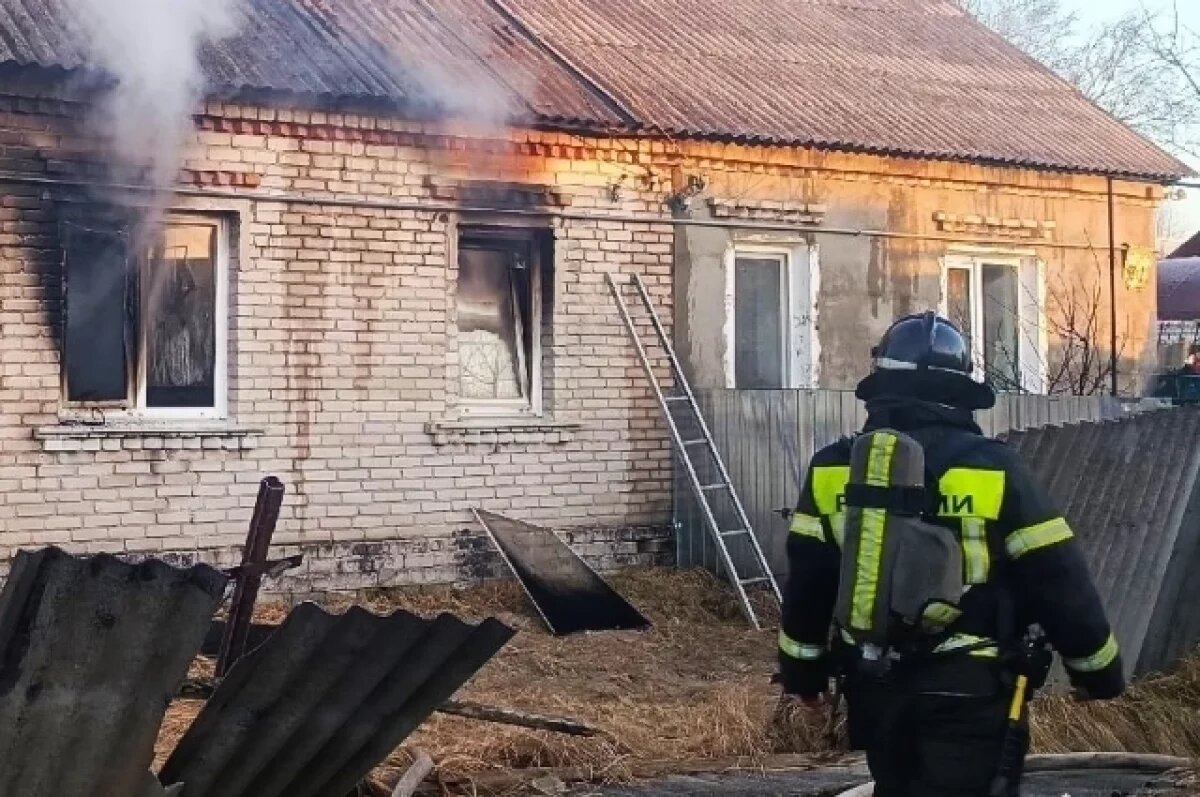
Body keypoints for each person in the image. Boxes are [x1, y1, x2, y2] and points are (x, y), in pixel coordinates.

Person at [776, 311, 1125, 797]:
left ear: (881, 383)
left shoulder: (835, 468)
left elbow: (809, 583)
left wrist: (803, 672)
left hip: (874, 687)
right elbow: (1056, 575)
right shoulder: (995, 468)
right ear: (961, 389)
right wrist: (1098, 671)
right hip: (970, 691)